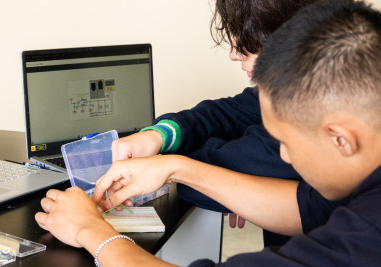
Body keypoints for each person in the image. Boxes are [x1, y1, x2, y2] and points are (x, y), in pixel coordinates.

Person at [36, 0, 381, 267]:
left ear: (341, 139)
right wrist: (172, 161)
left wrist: (90, 230)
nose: (285, 158)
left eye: (286, 144)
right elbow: (311, 207)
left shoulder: (363, 245)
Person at [114, 0, 317, 245]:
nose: (233, 54)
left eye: (247, 37)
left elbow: (220, 171)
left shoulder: (318, 106)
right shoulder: (299, 83)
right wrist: (159, 135)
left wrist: (171, 168)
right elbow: (227, 113)